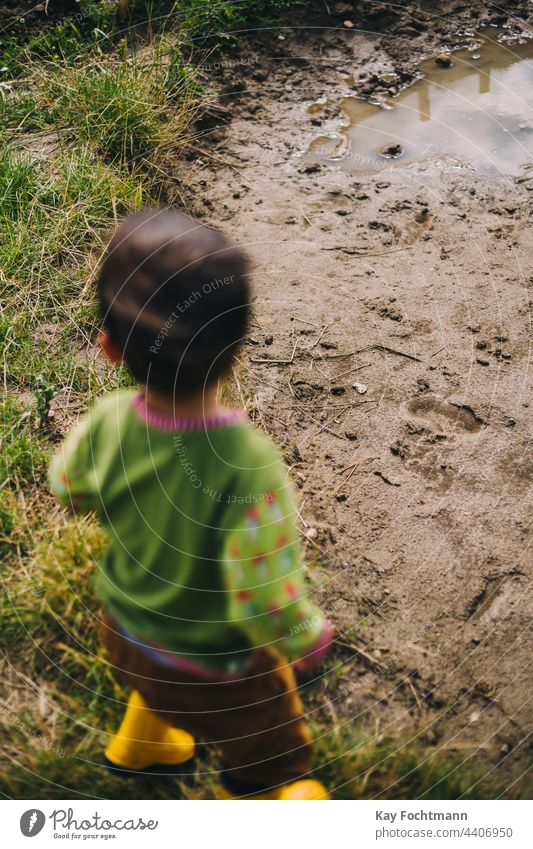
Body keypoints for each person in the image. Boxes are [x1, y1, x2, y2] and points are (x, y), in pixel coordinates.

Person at [49, 209, 333, 799]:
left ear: (107, 347)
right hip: (214, 665)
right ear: (237, 346)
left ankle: (144, 742)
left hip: (123, 631)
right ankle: (257, 796)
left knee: (153, 684)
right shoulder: (247, 462)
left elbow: (68, 486)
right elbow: (263, 591)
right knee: (269, 746)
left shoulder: (107, 423)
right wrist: (307, 639)